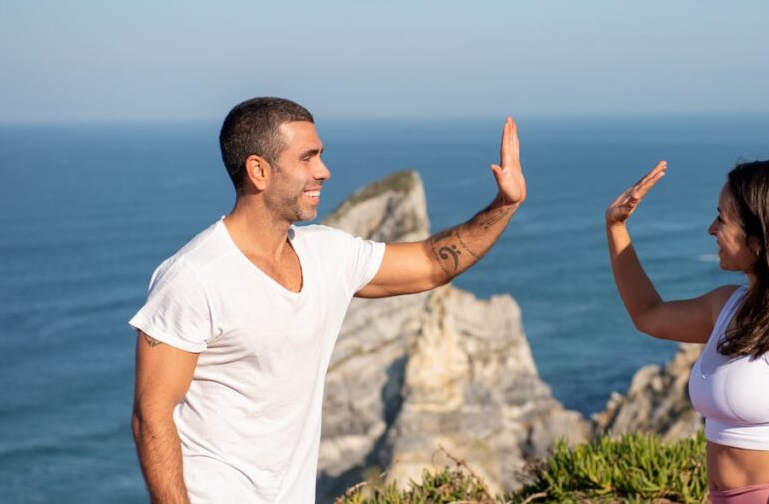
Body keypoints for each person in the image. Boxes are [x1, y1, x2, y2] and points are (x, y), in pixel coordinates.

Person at [129, 97, 526, 503]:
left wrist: (505, 205)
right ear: (259, 170)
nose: (324, 171)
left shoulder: (327, 254)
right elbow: (152, 416)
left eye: (321, 156)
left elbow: (430, 264)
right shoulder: (194, 277)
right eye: (308, 158)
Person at [605, 159, 769, 503]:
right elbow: (648, 314)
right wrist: (616, 227)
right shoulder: (726, 306)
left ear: (760, 238)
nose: (711, 229)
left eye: (722, 218)